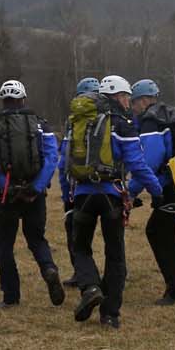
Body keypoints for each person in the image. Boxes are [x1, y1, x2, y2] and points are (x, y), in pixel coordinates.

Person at [59, 75, 163, 328]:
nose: (129, 101)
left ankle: (90, 287)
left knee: (81, 247)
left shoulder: (77, 123)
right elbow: (137, 164)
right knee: (115, 255)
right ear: (118, 95)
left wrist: (67, 198)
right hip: (112, 196)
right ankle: (110, 315)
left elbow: (64, 164)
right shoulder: (122, 123)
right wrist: (156, 189)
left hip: (82, 195)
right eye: (127, 96)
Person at [0, 80, 64, 309]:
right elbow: (51, 157)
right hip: (35, 194)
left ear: (2, 101)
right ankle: (49, 268)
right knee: (37, 239)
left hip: (6, 194)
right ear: (23, 98)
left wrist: (7, 186)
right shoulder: (40, 125)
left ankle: (11, 297)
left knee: (4, 246)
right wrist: (36, 188)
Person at [128, 79, 175, 305]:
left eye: (134, 102)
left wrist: (132, 190)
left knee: (162, 234)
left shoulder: (151, 121)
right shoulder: (166, 116)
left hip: (168, 187)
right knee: (161, 232)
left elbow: (151, 160)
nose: (132, 107)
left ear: (143, 100)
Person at [61, 76, 101, 287]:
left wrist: (65, 193)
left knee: (76, 233)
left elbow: (64, 160)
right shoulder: (111, 116)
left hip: (80, 187)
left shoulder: (75, 120)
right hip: (110, 186)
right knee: (114, 234)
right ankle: (117, 273)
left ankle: (82, 274)